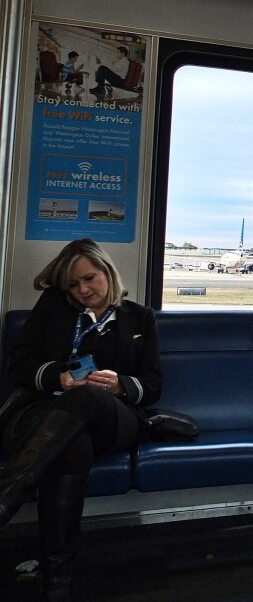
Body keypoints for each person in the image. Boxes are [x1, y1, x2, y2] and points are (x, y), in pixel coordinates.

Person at [0, 238, 162, 601]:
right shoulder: (53, 307)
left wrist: (120, 385)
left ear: (107, 271)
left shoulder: (140, 317)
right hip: (48, 414)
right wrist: (58, 377)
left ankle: (10, 490)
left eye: (89, 279)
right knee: (71, 446)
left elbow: (152, 385)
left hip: (113, 419)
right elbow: (20, 366)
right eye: (73, 285)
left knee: (88, 395)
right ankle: (57, 579)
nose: (83, 290)